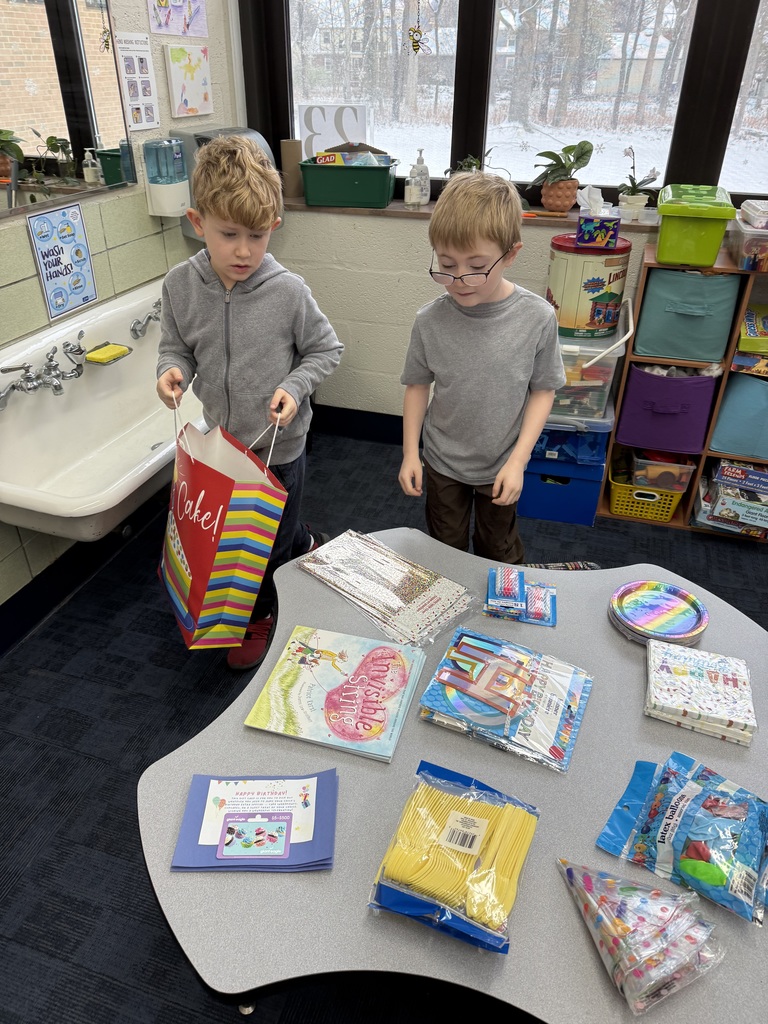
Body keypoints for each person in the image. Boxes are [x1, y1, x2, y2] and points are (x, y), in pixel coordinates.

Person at [156, 135, 343, 671]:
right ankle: (304, 537)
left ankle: (261, 612)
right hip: (225, 441)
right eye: (228, 234)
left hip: (280, 445)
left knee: (268, 542)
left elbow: (325, 349)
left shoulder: (288, 291)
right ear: (197, 223)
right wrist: (171, 372)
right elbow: (176, 346)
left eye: (256, 236)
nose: (243, 251)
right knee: (231, 536)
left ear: (274, 228)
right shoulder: (179, 287)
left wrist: (296, 385)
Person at [398, 171, 565, 563]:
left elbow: (544, 389)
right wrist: (410, 453)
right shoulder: (429, 320)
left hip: (502, 462)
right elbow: (417, 386)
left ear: (510, 254)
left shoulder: (537, 318)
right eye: (446, 264)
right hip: (442, 462)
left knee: (498, 551)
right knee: (445, 552)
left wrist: (520, 460)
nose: (459, 280)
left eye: (475, 266)